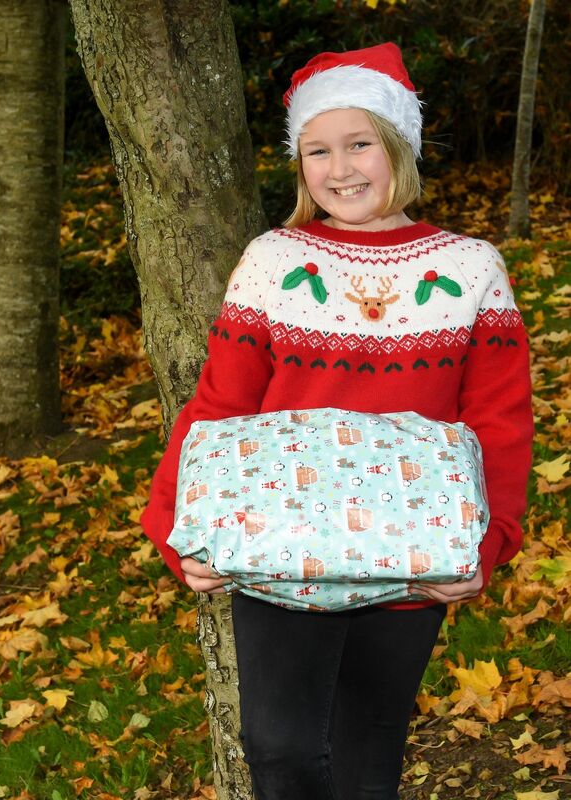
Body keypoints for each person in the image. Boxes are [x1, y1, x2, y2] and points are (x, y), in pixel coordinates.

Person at [141, 43, 533, 800]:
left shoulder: (470, 269)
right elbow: (220, 406)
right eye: (318, 150)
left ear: (400, 149)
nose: (341, 168)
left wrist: (491, 540)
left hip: (414, 554)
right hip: (279, 551)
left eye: (361, 144)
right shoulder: (271, 259)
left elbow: (500, 421)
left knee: (368, 743)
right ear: (299, 163)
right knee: (279, 747)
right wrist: (174, 526)